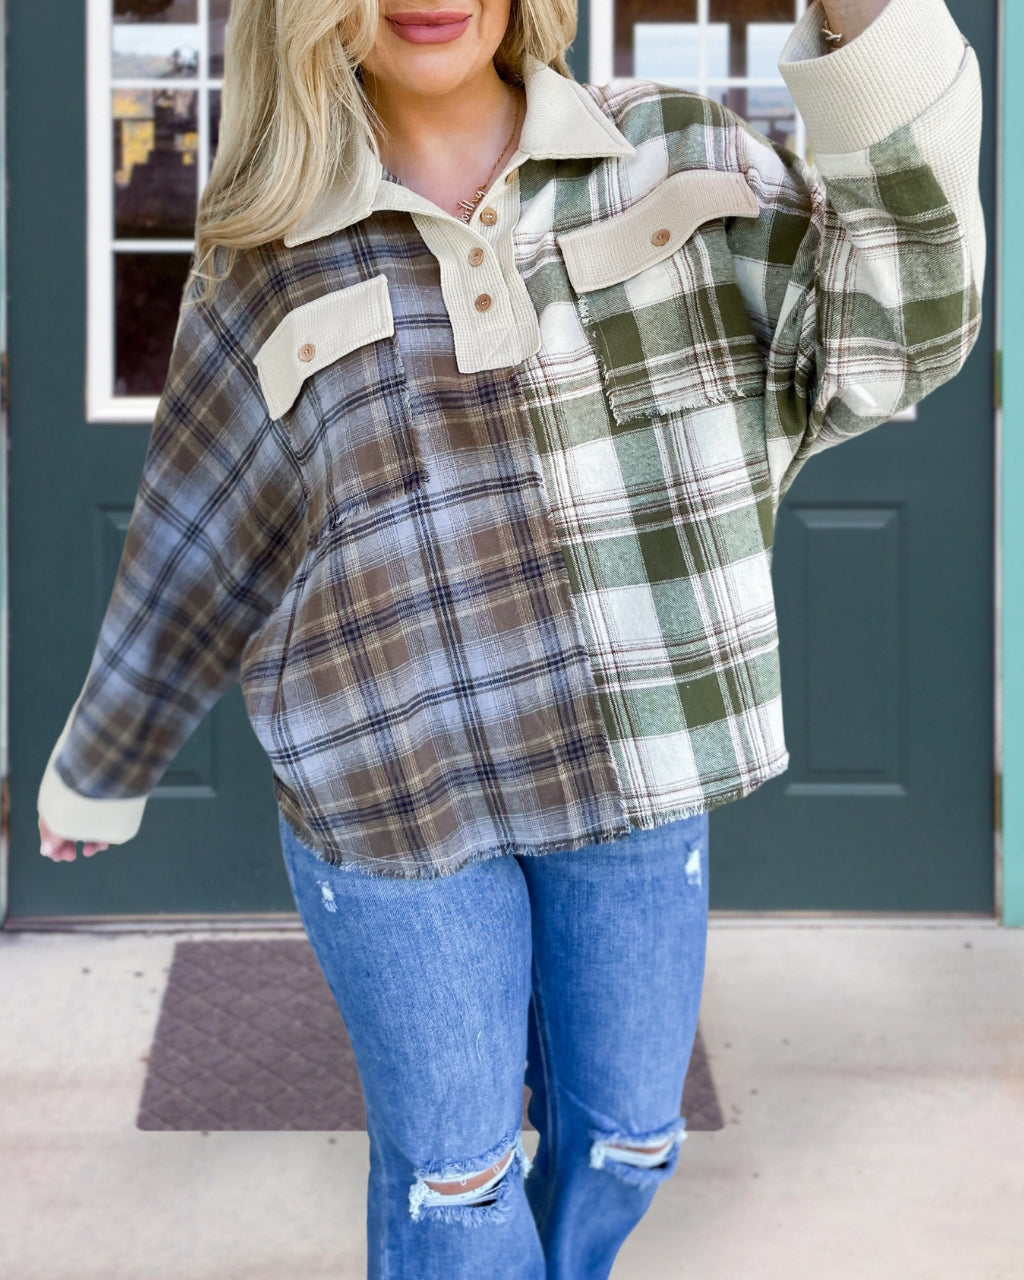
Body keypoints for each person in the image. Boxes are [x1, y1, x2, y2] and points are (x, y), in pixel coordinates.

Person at [36, 0, 983, 1274]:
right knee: (456, 1182)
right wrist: (103, 760)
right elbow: (196, 535)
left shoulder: (676, 161)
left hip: (632, 773)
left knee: (630, 1140)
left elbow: (901, 333)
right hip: (387, 796)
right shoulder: (263, 257)